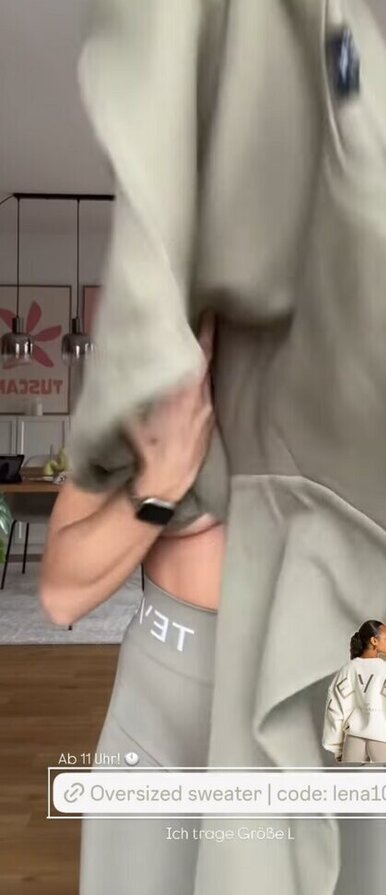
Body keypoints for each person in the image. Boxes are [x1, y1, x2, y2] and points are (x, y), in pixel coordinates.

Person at [39, 311, 226, 894]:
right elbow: (60, 593)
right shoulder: (155, 370)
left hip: (301, 694)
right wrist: (159, 488)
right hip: (164, 698)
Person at [322, 620, 386, 765]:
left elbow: (334, 711)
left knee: (351, 781)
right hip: (385, 741)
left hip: (353, 743)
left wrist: (337, 748)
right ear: (374, 641)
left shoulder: (347, 670)